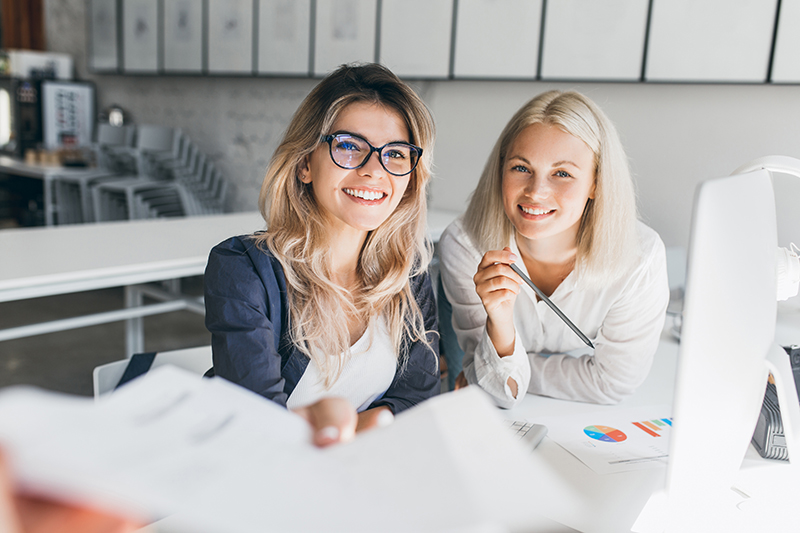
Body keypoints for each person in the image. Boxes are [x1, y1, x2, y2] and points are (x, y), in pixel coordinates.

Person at [204, 63, 440, 432]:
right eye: (349, 146)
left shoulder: (407, 273)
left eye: (395, 153)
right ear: (304, 164)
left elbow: (419, 398)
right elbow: (259, 425)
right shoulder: (242, 269)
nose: (374, 170)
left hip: (354, 474)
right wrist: (373, 424)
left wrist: (352, 428)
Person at [439, 90, 669, 408]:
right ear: (501, 169)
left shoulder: (640, 258)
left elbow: (614, 382)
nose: (536, 191)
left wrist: (498, 368)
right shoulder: (465, 245)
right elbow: (497, 395)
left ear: (595, 183)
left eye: (562, 174)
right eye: (521, 168)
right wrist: (500, 325)